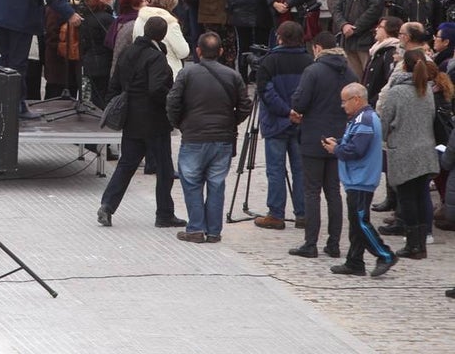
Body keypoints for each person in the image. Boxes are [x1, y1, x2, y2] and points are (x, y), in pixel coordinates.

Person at [97, 16, 184, 229]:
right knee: (164, 169)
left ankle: (107, 206)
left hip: (132, 119)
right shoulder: (156, 57)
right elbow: (156, 89)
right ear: (162, 35)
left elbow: (114, 84)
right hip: (154, 120)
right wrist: (171, 102)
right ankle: (164, 214)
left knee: (126, 165)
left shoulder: (128, 52)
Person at [166, 31, 250, 243]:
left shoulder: (187, 74)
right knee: (216, 184)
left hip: (194, 136)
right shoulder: (233, 75)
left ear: (198, 51)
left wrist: (181, 124)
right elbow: (245, 105)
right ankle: (213, 231)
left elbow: (172, 102)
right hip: (222, 138)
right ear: (221, 51)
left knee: (192, 182)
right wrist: (231, 122)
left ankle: (195, 228)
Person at [288, 32, 358, 259]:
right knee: (333, 192)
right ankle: (334, 243)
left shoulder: (313, 71)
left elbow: (299, 102)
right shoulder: (348, 71)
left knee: (312, 192)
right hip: (339, 138)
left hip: (314, 137)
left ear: (318, 48)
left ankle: (310, 243)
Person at [377, 49, 449, 260]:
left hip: (404, 151)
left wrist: (383, 138)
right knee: (421, 194)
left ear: (404, 66)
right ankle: (422, 239)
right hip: (426, 149)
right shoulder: (426, 89)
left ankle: (413, 244)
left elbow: (385, 120)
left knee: (407, 198)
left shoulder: (397, 91)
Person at [322, 83, 398, 277]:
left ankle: (385, 254)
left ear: (357, 99)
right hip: (356, 178)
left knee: (361, 222)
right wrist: (339, 143)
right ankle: (355, 261)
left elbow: (356, 150)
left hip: (361, 178)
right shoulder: (359, 119)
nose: (342, 105)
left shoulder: (365, 119)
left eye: (344, 101)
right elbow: (354, 144)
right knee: (356, 222)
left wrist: (336, 149)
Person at [253, 20, 313, 230]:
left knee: (276, 170)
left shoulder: (270, 61)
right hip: (301, 123)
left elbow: (266, 92)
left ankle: (276, 214)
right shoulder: (309, 61)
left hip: (276, 122)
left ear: (280, 37)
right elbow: (310, 91)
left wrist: (287, 112)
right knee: (301, 170)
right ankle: (303, 214)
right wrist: (298, 111)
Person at [333, 0, 387, 79]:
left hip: (366, 39)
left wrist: (355, 28)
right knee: (352, 78)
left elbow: (375, 9)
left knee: (368, 77)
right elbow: (337, 7)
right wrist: (343, 25)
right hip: (347, 39)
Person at [132, 0, 190, 77]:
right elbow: (183, 52)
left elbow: (135, 39)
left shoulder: (140, 17)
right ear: (171, 5)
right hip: (168, 71)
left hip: (142, 69)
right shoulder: (171, 23)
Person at [77, 0, 115, 108]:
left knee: (95, 96)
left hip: (90, 61)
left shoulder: (86, 16)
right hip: (103, 63)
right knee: (101, 97)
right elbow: (111, 42)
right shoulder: (105, 19)